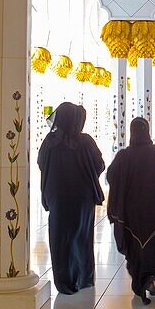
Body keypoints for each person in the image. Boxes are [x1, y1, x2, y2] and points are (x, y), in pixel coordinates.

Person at [107, 117, 155, 304]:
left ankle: (141, 281)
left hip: (131, 215)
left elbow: (111, 177)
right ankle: (153, 277)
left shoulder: (124, 156)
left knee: (134, 249)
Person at [38, 101, 105, 295]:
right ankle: (84, 278)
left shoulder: (50, 141)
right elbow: (99, 164)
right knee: (82, 236)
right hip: (82, 197)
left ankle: (64, 281)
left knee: (60, 238)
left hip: (58, 196)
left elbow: (41, 163)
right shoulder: (85, 141)